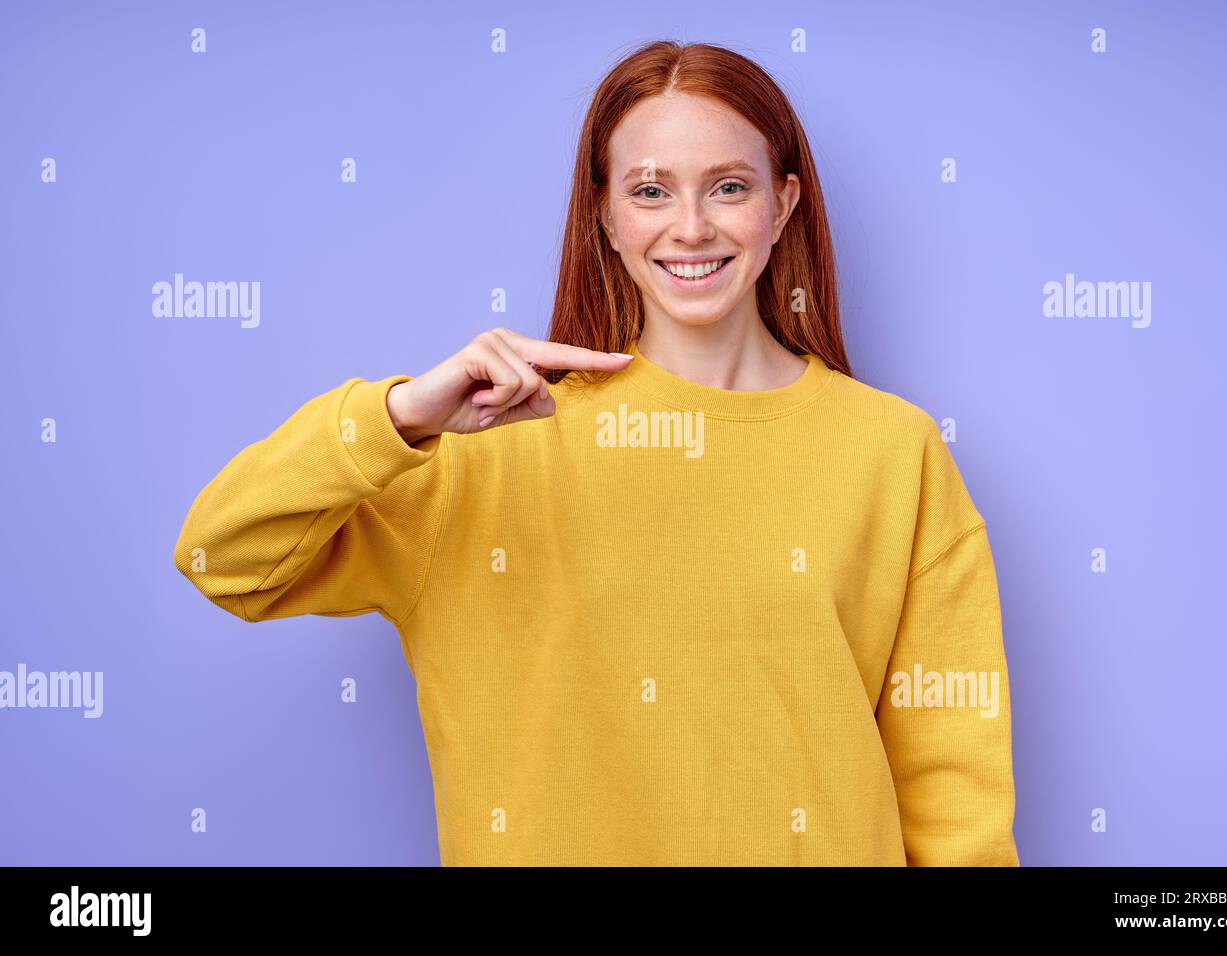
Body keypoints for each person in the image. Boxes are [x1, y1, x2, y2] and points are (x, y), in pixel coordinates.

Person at [173, 39, 1019, 866]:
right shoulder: (483, 446)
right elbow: (225, 557)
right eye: (651, 191)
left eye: (729, 186)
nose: (691, 227)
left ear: (784, 205)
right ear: (606, 216)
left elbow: (957, 800)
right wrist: (395, 418)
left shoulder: (891, 451)